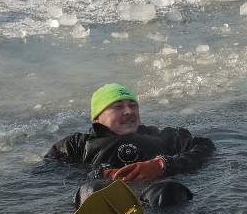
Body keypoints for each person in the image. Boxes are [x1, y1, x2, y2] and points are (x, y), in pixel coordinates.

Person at [44, 83, 215, 207]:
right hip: (109, 207)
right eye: (118, 107)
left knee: (170, 188)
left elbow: (205, 147)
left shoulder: (162, 136)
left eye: (133, 106)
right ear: (97, 117)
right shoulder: (78, 144)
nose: (129, 111)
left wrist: (164, 164)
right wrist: (97, 175)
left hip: (154, 205)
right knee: (92, 190)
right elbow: (48, 171)